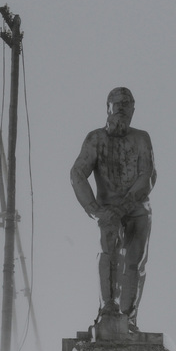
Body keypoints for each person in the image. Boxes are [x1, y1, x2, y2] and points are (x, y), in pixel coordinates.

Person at [70, 87, 157, 332]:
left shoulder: (142, 138)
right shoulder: (95, 139)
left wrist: (125, 206)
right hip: (107, 210)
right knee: (108, 253)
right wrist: (94, 209)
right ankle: (107, 308)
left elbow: (147, 175)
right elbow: (77, 173)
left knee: (135, 262)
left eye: (126, 103)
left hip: (137, 208)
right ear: (107, 107)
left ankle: (129, 318)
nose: (121, 107)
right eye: (116, 103)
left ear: (133, 109)